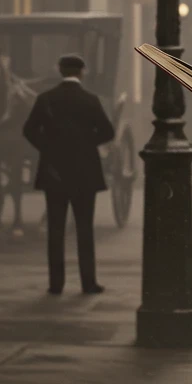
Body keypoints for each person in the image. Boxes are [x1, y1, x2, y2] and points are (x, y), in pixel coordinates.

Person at [22, 54, 115, 295]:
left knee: (56, 229)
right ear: (82, 72)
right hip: (85, 172)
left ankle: (56, 284)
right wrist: (85, 144)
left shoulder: (46, 99)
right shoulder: (91, 100)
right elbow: (107, 131)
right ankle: (88, 282)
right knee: (84, 229)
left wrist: (48, 147)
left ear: (59, 71)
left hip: (54, 171)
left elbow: (29, 130)